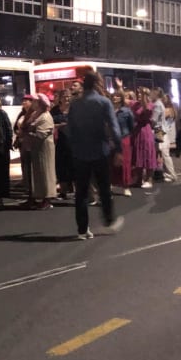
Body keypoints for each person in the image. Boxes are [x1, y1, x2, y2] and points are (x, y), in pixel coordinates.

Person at [67, 71, 124, 239]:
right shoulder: (104, 102)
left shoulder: (75, 104)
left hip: (80, 152)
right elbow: (114, 128)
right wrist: (118, 149)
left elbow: (70, 130)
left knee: (81, 193)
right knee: (104, 188)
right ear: (98, 83)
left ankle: (82, 230)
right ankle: (108, 221)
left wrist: (75, 147)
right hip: (100, 150)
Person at [20, 94, 56, 211]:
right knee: (37, 174)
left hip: (44, 148)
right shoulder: (36, 114)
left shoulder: (45, 116)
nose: (32, 103)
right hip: (35, 147)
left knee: (46, 172)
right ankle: (36, 197)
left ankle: (47, 198)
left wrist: (28, 133)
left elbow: (41, 134)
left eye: (35, 101)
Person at [131, 88, 158, 188]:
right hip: (137, 130)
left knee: (147, 154)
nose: (138, 95)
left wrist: (143, 97)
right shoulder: (135, 104)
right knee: (138, 154)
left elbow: (146, 111)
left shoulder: (150, 105)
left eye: (141, 94)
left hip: (145, 130)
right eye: (138, 93)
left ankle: (149, 179)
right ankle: (139, 179)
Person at [50, 90, 72, 198]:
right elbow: (50, 123)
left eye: (68, 96)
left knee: (73, 166)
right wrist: (59, 125)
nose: (66, 98)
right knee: (60, 165)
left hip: (72, 141)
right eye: (64, 96)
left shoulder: (74, 109)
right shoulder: (54, 110)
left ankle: (76, 190)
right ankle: (63, 191)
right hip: (59, 141)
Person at [111, 92, 135, 195]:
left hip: (124, 138)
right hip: (110, 139)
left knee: (125, 163)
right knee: (110, 162)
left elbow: (131, 126)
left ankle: (126, 186)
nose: (115, 98)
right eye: (113, 96)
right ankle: (111, 184)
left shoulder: (126, 111)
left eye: (117, 96)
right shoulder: (109, 110)